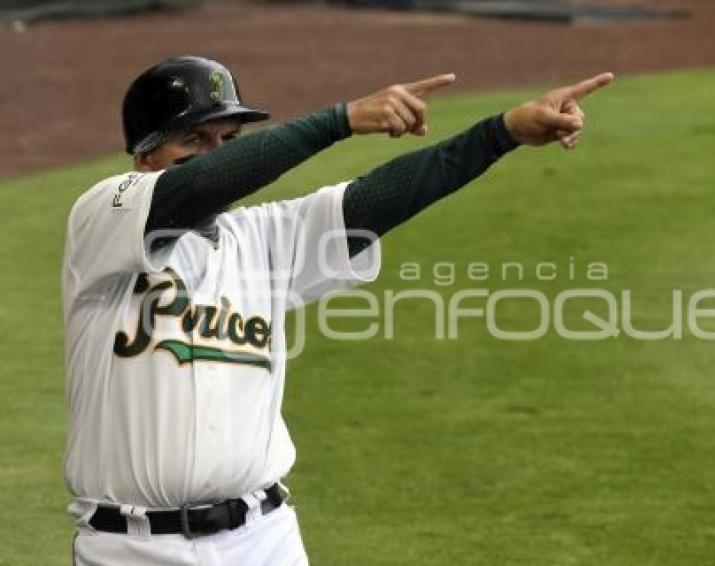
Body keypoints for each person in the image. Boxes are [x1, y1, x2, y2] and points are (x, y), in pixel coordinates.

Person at [62, 55, 613, 565]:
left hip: (264, 539)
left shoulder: (264, 238)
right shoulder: (105, 218)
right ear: (144, 155)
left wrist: (503, 132)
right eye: (194, 138)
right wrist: (341, 120)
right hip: (130, 550)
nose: (219, 151)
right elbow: (203, 184)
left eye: (228, 137)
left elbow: (381, 196)